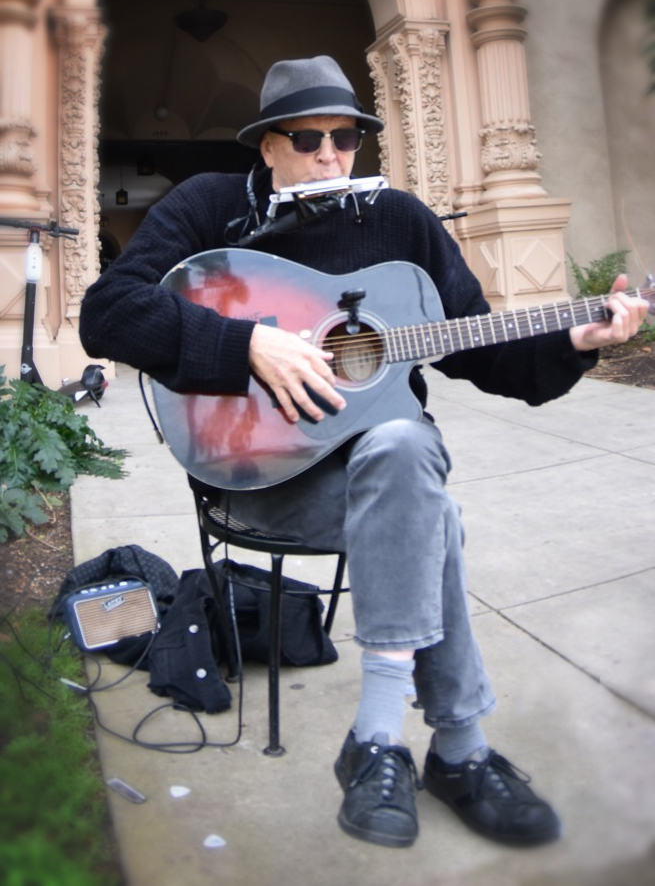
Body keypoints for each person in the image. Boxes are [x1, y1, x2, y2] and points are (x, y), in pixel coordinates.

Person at [79, 56, 648, 850]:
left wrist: (574, 340)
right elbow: (107, 314)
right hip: (264, 478)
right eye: (308, 138)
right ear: (268, 146)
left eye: (345, 139)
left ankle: (379, 740)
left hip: (387, 476)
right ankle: (459, 750)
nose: (328, 156)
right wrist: (246, 346)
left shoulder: (399, 222)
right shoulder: (209, 206)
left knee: (401, 447)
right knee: (429, 510)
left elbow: (484, 355)